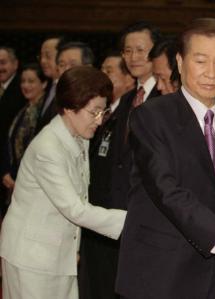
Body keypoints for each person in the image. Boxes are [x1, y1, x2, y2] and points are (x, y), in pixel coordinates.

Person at [115, 17, 215, 299]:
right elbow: (166, 189)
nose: (211, 73)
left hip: (213, 272)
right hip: (158, 274)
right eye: (201, 61)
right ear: (180, 63)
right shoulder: (151, 116)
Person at [0, 66, 127, 299]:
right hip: (32, 256)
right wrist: (134, 220)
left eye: (103, 111)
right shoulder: (48, 148)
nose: (100, 121)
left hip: (57, 252)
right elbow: (75, 209)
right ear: (70, 108)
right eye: (94, 112)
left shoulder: (79, 136)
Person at [77, 52, 135, 299]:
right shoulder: (107, 112)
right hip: (96, 210)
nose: (103, 75)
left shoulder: (128, 111)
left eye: (110, 71)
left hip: (113, 212)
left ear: (127, 80)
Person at [1, 64, 48, 195]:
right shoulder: (23, 109)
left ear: (44, 84)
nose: (25, 86)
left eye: (31, 81)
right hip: (14, 181)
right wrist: (6, 173)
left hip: (33, 183)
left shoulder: (44, 113)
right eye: (23, 81)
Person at [37, 40, 94, 131]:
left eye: (73, 64)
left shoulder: (94, 98)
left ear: (88, 68)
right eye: (62, 65)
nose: (66, 70)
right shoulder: (57, 94)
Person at [0, 46, 26, 216]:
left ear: (15, 64)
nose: (0, 67)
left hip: (10, 169)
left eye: (3, 62)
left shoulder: (23, 89)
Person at [36, 36, 64, 134]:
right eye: (41, 56)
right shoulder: (48, 86)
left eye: (47, 56)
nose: (42, 61)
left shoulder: (67, 89)